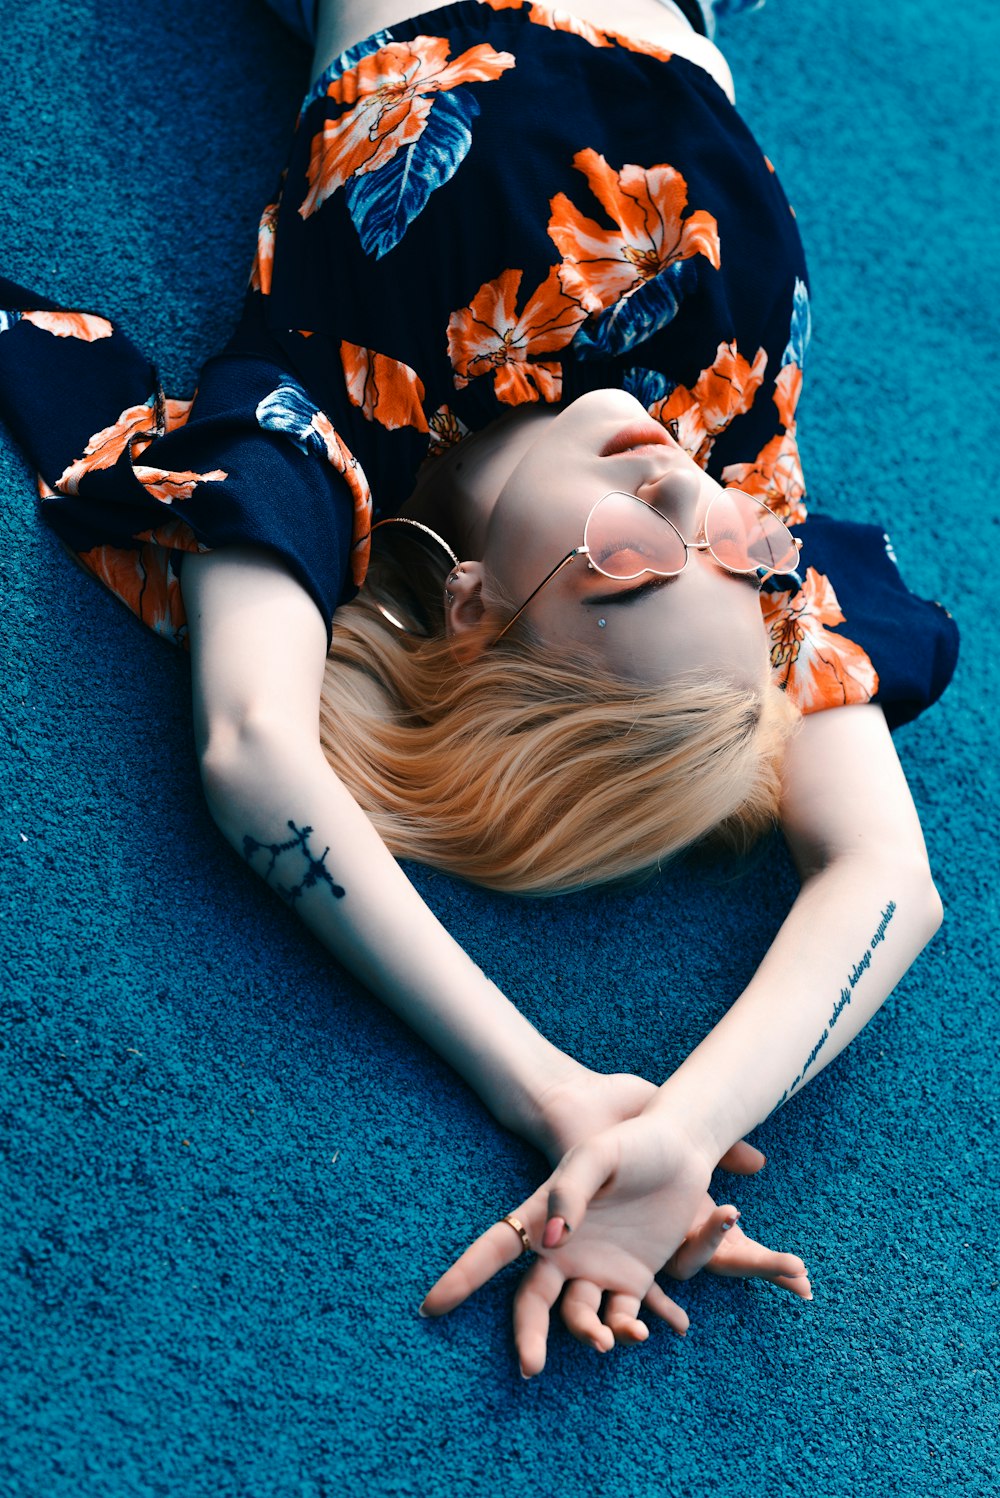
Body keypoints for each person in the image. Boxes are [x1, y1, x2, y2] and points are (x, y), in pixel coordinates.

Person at [0, 0, 957, 1377]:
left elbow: (254, 745)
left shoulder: (337, 414)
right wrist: (684, 1130)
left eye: (630, 560)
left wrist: (552, 1087)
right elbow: (888, 877)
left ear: (472, 609)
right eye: (738, 552)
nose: (679, 482)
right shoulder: (731, 459)